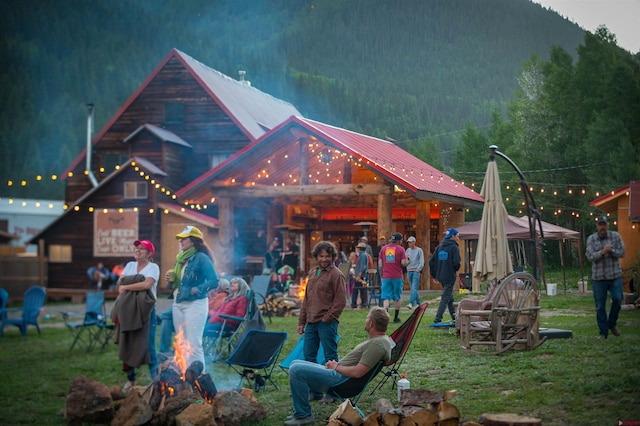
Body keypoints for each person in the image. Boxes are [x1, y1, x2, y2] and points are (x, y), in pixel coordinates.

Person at [285, 307, 392, 426]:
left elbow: (358, 372)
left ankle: (303, 415)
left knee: (296, 370)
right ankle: (300, 413)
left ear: (371, 323)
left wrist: (336, 367)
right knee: (295, 363)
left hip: (340, 380)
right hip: (339, 374)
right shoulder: (379, 340)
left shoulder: (377, 345)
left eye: (367, 318)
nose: (365, 321)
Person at [298, 241, 346, 402]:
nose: (324, 259)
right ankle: (315, 391)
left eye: (327, 256)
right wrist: (301, 322)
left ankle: (333, 392)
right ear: (316, 257)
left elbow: (340, 301)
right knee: (309, 358)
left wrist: (327, 318)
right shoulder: (313, 273)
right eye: (321, 256)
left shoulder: (336, 274)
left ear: (332, 257)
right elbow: (306, 300)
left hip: (327, 323)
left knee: (330, 358)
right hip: (311, 323)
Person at [166, 225, 219, 373]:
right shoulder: (180, 259)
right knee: (182, 342)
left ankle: (199, 378)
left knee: (194, 343)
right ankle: (184, 375)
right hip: (178, 303)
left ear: (194, 241)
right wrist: (171, 279)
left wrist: (196, 289)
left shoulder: (201, 258)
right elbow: (177, 283)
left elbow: (214, 280)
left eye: (184, 239)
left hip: (195, 304)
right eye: (180, 239)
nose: (181, 242)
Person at [114, 240, 160, 391]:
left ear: (149, 253)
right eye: (136, 248)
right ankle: (131, 380)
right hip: (128, 310)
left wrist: (127, 286)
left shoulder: (153, 267)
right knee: (128, 343)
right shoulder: (130, 266)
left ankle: (157, 382)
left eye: (142, 249)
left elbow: (146, 285)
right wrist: (134, 282)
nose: (137, 250)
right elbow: (119, 282)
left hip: (147, 311)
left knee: (148, 346)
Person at [585, 215, 625, 340]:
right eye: (600, 225)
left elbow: (622, 252)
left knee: (618, 299)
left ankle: (612, 324)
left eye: (604, 224)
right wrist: (602, 252)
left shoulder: (615, 236)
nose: (602, 227)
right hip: (598, 278)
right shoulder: (591, 239)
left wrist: (611, 250)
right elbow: (590, 256)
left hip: (614, 275)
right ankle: (603, 332)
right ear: (597, 226)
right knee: (600, 306)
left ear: (607, 225)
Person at [429, 228, 461, 324]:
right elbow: (456, 262)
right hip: (449, 275)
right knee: (445, 297)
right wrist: (455, 269)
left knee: (449, 297)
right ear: (452, 236)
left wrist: (434, 275)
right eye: (457, 235)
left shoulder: (439, 247)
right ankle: (438, 318)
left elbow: (431, 262)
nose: (458, 237)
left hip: (440, 276)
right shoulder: (454, 247)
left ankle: (454, 317)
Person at [379, 232, 408, 324]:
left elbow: (380, 264)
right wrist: (408, 262)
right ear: (399, 240)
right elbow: (403, 263)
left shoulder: (384, 249)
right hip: (397, 276)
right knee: (397, 297)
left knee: (386, 297)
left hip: (386, 276)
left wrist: (382, 273)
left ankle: (385, 318)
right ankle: (396, 317)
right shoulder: (401, 249)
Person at [405, 236, 424, 309]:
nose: (409, 243)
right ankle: (418, 303)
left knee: (414, 287)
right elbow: (406, 259)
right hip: (409, 270)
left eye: (410, 242)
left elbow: (421, 261)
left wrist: (418, 269)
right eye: (408, 242)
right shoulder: (407, 250)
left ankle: (411, 302)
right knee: (413, 288)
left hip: (416, 270)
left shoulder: (419, 250)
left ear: (414, 242)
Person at [351, 242, 369, 309]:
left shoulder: (362, 255)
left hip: (361, 276)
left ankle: (356, 304)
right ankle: (362, 304)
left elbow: (363, 267)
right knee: (362, 290)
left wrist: (359, 276)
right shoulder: (363, 255)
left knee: (358, 290)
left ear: (360, 249)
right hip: (361, 276)